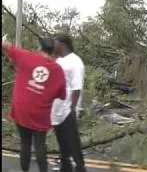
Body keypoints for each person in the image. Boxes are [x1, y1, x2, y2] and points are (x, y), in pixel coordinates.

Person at [2, 37, 66, 172]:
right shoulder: (57, 69)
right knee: (40, 145)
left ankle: (24, 170)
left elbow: (7, 46)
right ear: (53, 51)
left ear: (39, 47)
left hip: (22, 110)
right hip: (40, 113)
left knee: (25, 143)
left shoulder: (26, 56)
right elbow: (62, 95)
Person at [51, 34, 87, 172]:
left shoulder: (75, 62)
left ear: (62, 44)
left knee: (73, 144)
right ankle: (65, 168)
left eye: (55, 42)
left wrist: (72, 109)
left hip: (67, 110)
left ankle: (80, 168)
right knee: (63, 145)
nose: (53, 44)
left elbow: (76, 88)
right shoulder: (59, 60)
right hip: (57, 110)